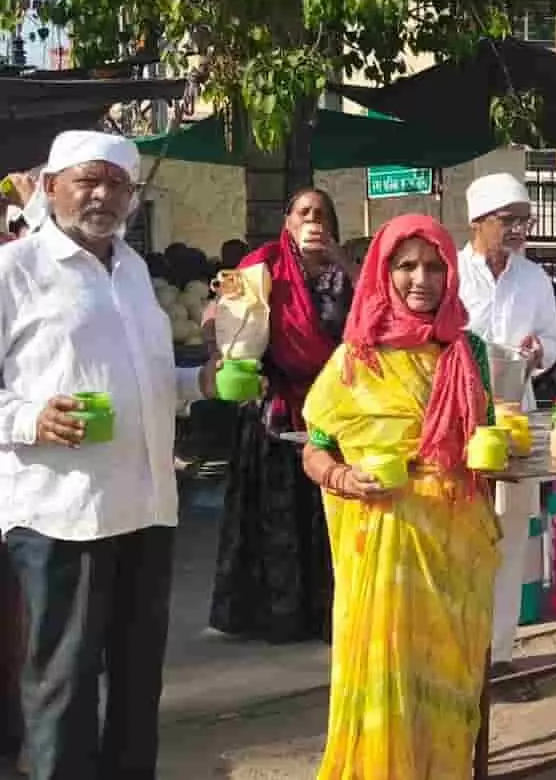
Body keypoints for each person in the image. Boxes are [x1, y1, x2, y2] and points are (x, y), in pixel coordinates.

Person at [0, 130, 221, 779]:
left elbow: (148, 381)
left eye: (116, 184)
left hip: (147, 508)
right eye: (86, 180)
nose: (101, 195)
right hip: (61, 516)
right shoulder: (16, 270)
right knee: (62, 685)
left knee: (136, 684)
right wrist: (30, 417)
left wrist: (200, 383)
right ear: (51, 187)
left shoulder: (132, 273)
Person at [300, 214, 499, 778]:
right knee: (386, 672)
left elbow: (481, 432)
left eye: (435, 266)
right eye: (406, 265)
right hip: (383, 542)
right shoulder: (354, 358)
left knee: (450, 676)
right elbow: (316, 449)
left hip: (456, 544)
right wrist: (342, 479)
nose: (422, 279)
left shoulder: (469, 352)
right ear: (382, 273)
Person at [208, 189, 353, 643]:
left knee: (328, 511)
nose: (313, 220)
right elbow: (219, 316)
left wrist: (344, 262)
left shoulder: (346, 273)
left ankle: (329, 614)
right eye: (303, 213)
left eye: (322, 215)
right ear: (287, 221)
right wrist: (227, 358)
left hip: (332, 407)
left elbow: (376, 314)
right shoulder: (259, 266)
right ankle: (275, 616)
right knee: (275, 514)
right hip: (276, 407)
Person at [457, 172, 556, 672]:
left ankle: (498, 656)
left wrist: (542, 352)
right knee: (460, 537)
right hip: (460, 424)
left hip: (517, 419)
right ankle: (458, 653)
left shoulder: (534, 279)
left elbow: (551, 339)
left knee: (512, 535)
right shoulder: (450, 274)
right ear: (477, 221)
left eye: (525, 220)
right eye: (508, 221)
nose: (519, 230)